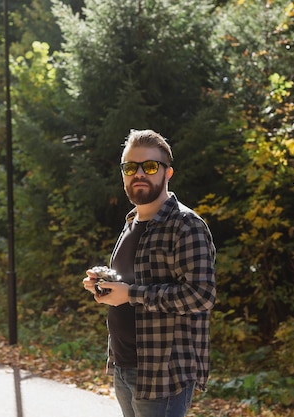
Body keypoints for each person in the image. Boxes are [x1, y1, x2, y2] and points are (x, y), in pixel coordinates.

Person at [82, 129, 216, 417]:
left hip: (162, 375)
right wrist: (104, 282)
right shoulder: (132, 221)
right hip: (123, 365)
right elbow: (132, 280)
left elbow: (201, 295)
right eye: (131, 167)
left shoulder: (185, 225)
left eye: (150, 166)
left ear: (167, 173)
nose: (139, 173)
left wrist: (130, 294)